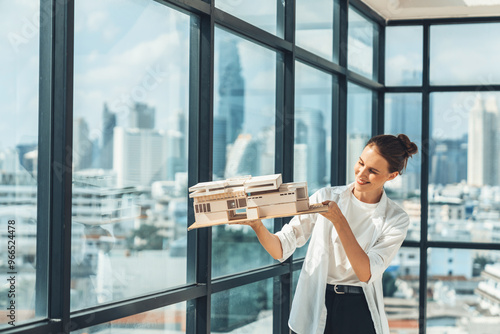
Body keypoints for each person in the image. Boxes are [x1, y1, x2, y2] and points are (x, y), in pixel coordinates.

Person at [242, 134, 418, 334]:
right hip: (315, 301)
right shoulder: (326, 196)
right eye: (360, 163)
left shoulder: (396, 218)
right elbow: (281, 248)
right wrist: (257, 225)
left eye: (373, 171)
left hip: (358, 309)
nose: (361, 173)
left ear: (391, 176)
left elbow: (366, 272)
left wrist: (339, 220)